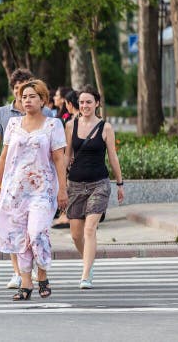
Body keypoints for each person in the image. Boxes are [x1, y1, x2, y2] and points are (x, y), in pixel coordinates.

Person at [0, 79, 68, 301]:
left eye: (32, 96)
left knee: (36, 233)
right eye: (24, 97)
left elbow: (58, 158)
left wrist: (62, 189)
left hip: (42, 190)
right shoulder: (13, 124)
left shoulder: (53, 125)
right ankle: (25, 283)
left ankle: (42, 275)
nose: (27, 100)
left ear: (43, 100)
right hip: (14, 191)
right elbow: (4, 157)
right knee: (19, 238)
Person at [65, 85, 125, 289]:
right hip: (74, 184)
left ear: (97, 103)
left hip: (99, 183)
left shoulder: (105, 127)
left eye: (89, 101)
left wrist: (120, 183)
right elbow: (66, 156)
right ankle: (88, 263)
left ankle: (85, 275)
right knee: (75, 234)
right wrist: (59, 185)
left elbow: (113, 157)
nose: (84, 105)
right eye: (81, 102)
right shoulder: (70, 125)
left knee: (90, 229)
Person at [0, 68, 35, 289]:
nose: (21, 95)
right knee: (11, 225)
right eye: (17, 90)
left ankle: (29, 266)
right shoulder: (3, 114)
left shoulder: (42, 115)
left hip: (34, 181)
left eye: (25, 90)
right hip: (9, 179)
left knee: (31, 227)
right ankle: (17, 271)